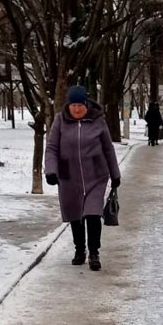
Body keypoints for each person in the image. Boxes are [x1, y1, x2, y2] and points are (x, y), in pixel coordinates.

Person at [45, 86, 122, 271]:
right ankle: (80, 250)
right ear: (68, 105)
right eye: (73, 105)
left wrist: (115, 174)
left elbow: (108, 148)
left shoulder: (98, 121)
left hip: (96, 175)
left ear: (86, 105)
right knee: (75, 215)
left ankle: (94, 252)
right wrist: (51, 171)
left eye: (80, 105)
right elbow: (52, 147)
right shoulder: (60, 121)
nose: (77, 109)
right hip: (69, 176)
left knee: (92, 214)